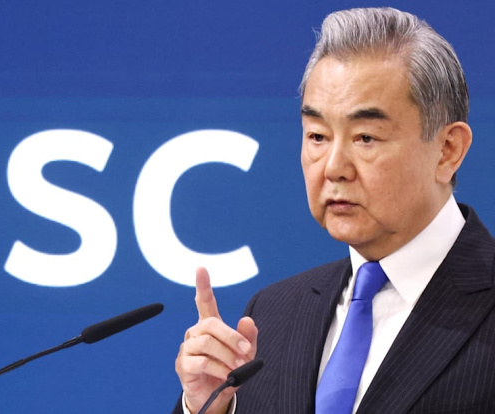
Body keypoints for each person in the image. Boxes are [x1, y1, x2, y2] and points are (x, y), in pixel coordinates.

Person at [173, 7, 495, 414]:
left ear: (447, 150)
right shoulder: (272, 313)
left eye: (365, 137)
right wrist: (210, 407)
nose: (333, 167)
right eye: (317, 136)